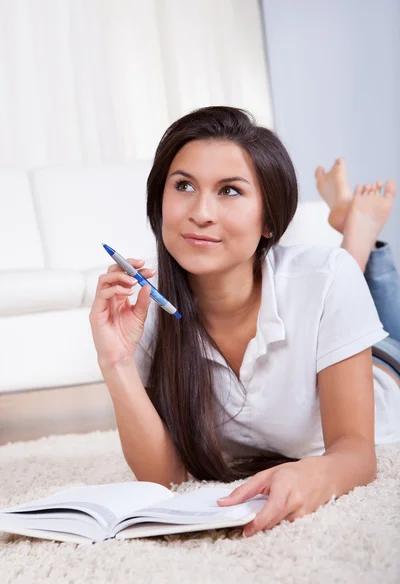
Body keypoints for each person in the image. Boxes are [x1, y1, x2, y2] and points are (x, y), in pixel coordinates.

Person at [89, 106, 400, 537]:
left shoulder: (323, 276)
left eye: (229, 191)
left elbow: (356, 454)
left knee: (347, 274)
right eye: (183, 186)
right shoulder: (146, 310)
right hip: (323, 305)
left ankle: (359, 231)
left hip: (384, 369)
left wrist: (317, 473)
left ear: (270, 219)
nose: (201, 212)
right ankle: (352, 226)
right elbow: (166, 480)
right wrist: (117, 363)